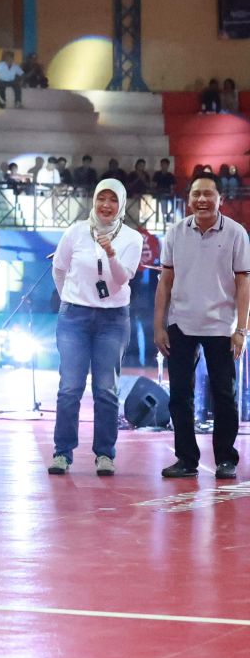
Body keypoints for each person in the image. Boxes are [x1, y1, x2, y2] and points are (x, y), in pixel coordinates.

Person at [154, 174, 250, 480]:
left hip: (222, 327)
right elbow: (165, 282)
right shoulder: (176, 233)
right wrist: (159, 325)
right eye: (196, 194)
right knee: (179, 395)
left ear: (220, 199)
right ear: (189, 198)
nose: (202, 200)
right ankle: (186, 459)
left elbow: (243, 283)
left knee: (224, 394)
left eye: (208, 194)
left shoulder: (236, 234)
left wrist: (242, 329)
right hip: (181, 323)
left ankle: (225, 459)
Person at [47, 179, 142, 476]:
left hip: (113, 320)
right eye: (101, 198)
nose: (106, 205)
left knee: (106, 389)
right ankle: (62, 453)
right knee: (69, 388)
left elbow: (121, 279)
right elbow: (59, 269)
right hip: (74, 317)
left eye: (113, 200)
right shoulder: (75, 232)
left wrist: (111, 252)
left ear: (121, 204)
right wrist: (70, 300)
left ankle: (105, 454)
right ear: (94, 200)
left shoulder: (132, 238)